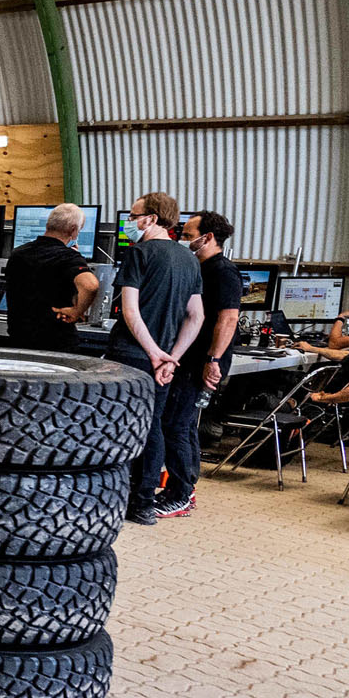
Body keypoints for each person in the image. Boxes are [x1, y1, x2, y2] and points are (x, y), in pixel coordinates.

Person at [105, 192, 204, 526]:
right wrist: (171, 357)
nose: (129, 222)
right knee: (152, 427)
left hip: (130, 355)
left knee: (123, 426)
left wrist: (152, 352)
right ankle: (144, 504)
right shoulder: (189, 259)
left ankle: (115, 498)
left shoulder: (138, 253)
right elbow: (196, 316)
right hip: (163, 361)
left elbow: (130, 312)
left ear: (151, 218)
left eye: (133, 216)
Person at [156, 210, 243, 518]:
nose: (182, 239)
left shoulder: (223, 272)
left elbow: (228, 318)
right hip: (188, 358)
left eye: (187, 235)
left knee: (175, 425)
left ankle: (180, 493)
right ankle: (184, 488)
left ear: (207, 238)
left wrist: (213, 360)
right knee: (181, 424)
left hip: (201, 361)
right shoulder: (198, 267)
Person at [4, 202, 99, 351]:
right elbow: (90, 285)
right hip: (56, 342)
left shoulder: (18, 253)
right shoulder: (68, 257)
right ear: (73, 230)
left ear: (49, 225)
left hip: (20, 339)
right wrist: (77, 311)